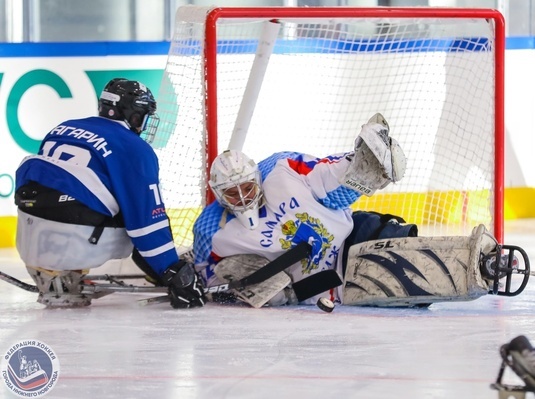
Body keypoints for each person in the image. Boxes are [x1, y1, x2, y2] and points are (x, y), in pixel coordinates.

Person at [14, 78, 205, 309]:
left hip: (32, 225)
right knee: (135, 212)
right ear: (134, 115)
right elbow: (147, 222)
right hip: (79, 231)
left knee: (88, 196)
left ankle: (57, 270)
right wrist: (172, 271)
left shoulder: (63, 127)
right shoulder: (135, 148)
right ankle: (74, 268)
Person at [193, 113, 407, 308]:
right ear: (219, 194)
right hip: (327, 290)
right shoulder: (210, 230)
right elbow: (207, 274)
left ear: (256, 178)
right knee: (401, 295)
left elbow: (326, 176)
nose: (243, 197)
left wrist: (359, 169)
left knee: (410, 254)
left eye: (248, 188)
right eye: (232, 192)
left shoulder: (281, 169)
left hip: (351, 241)